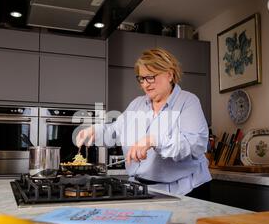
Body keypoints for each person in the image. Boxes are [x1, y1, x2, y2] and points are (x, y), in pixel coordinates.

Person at [76, 48, 211, 196]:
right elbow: (115, 129)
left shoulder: (188, 102)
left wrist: (153, 140)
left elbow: (195, 145)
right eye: (141, 78)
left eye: (150, 77)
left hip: (184, 191)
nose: (145, 84)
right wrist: (96, 130)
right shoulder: (137, 104)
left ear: (170, 75)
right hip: (140, 189)